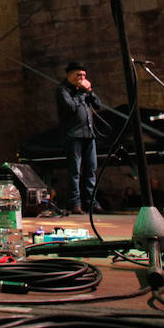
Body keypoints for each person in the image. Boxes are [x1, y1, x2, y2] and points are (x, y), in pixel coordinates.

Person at [56, 61, 103, 214]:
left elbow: (98, 105)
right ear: (70, 75)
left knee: (91, 170)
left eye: (84, 75)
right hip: (73, 135)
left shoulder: (84, 91)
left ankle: (92, 203)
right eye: (78, 75)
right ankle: (75, 203)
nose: (82, 78)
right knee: (75, 171)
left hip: (89, 134)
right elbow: (70, 107)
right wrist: (81, 94)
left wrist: (89, 91)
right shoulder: (63, 89)